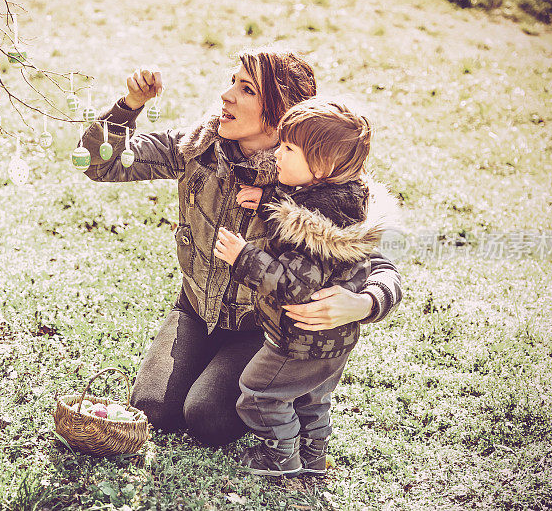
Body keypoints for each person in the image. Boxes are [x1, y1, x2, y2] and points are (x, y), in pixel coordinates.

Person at [79, 48, 402, 446]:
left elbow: (379, 263)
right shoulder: (196, 148)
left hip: (264, 330)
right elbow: (98, 163)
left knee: (207, 419)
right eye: (232, 82)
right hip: (197, 310)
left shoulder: (315, 178)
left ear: (283, 113)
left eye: (245, 88)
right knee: (153, 410)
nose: (226, 95)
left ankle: (277, 395)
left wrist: (365, 303)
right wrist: (129, 106)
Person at [214, 98, 397, 476]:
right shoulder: (342, 202)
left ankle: (280, 459)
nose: (277, 154)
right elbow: (300, 203)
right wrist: (268, 202)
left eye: (288, 148)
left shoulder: (315, 229)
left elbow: (293, 285)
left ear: (323, 166)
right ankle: (314, 459)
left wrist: (243, 256)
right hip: (335, 340)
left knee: (258, 392)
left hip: (299, 339)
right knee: (313, 399)